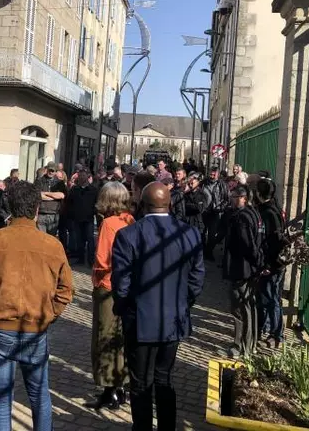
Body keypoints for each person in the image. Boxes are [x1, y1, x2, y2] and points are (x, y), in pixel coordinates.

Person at [0, 181, 73, 431]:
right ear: (37, 208)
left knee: (1, 400)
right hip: (33, 327)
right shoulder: (52, 245)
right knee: (39, 396)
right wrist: (48, 315)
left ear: (10, 207)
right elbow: (65, 290)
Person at [112, 182, 205, 431]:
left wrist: (123, 309)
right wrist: (183, 304)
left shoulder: (129, 235)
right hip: (172, 319)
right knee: (164, 378)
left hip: (140, 320)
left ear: (142, 205)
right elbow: (197, 278)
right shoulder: (189, 234)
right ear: (170, 204)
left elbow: (121, 283)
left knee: (141, 382)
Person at [89, 181, 134, 411]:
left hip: (108, 284)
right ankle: (121, 386)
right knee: (121, 337)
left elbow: (102, 259)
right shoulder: (130, 220)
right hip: (127, 285)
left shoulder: (108, 223)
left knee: (104, 336)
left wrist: (95, 277)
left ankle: (110, 391)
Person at [222, 185, 265, 358]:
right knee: (248, 307)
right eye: (232, 195)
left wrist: (257, 263)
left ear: (244, 198)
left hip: (242, 269)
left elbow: (249, 245)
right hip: (249, 268)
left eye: (235, 196)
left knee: (240, 308)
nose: (232, 198)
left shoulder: (242, 218)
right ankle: (249, 345)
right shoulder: (254, 213)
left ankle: (242, 347)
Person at [255, 178, 286, 349]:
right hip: (269, 262)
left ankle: (277, 335)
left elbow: (275, 242)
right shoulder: (272, 208)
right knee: (266, 298)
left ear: (259, 194)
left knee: (273, 299)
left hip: (273, 264)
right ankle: (265, 328)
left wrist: (269, 265)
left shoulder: (270, 213)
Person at [66, 170, 99, 265]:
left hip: (89, 219)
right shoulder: (74, 190)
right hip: (77, 219)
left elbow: (97, 204)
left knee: (90, 239)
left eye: (83, 176)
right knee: (79, 240)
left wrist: (95, 213)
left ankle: (91, 260)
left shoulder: (93, 190)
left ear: (87, 177)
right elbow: (70, 203)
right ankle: (80, 259)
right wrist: (71, 215)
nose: (81, 178)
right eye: (80, 176)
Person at [203, 166, 230, 259]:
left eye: (214, 174)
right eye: (211, 173)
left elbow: (227, 199)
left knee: (212, 234)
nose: (212, 175)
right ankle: (202, 252)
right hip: (204, 211)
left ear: (218, 174)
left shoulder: (222, 185)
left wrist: (220, 208)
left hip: (215, 213)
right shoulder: (204, 183)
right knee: (202, 233)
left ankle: (209, 252)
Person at [34, 161, 67, 236]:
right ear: (47, 170)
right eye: (50, 170)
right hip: (41, 215)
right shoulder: (39, 181)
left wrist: (45, 193)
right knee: (41, 239)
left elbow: (62, 195)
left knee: (51, 239)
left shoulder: (59, 183)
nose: (51, 172)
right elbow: (37, 195)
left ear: (56, 172)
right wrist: (54, 197)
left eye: (53, 171)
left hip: (54, 214)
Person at [183, 172, 209, 248]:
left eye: (192, 183)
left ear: (198, 183)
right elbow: (182, 206)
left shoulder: (202, 194)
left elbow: (199, 208)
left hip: (198, 222)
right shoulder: (186, 194)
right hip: (187, 221)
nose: (190, 185)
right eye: (189, 183)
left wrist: (188, 205)